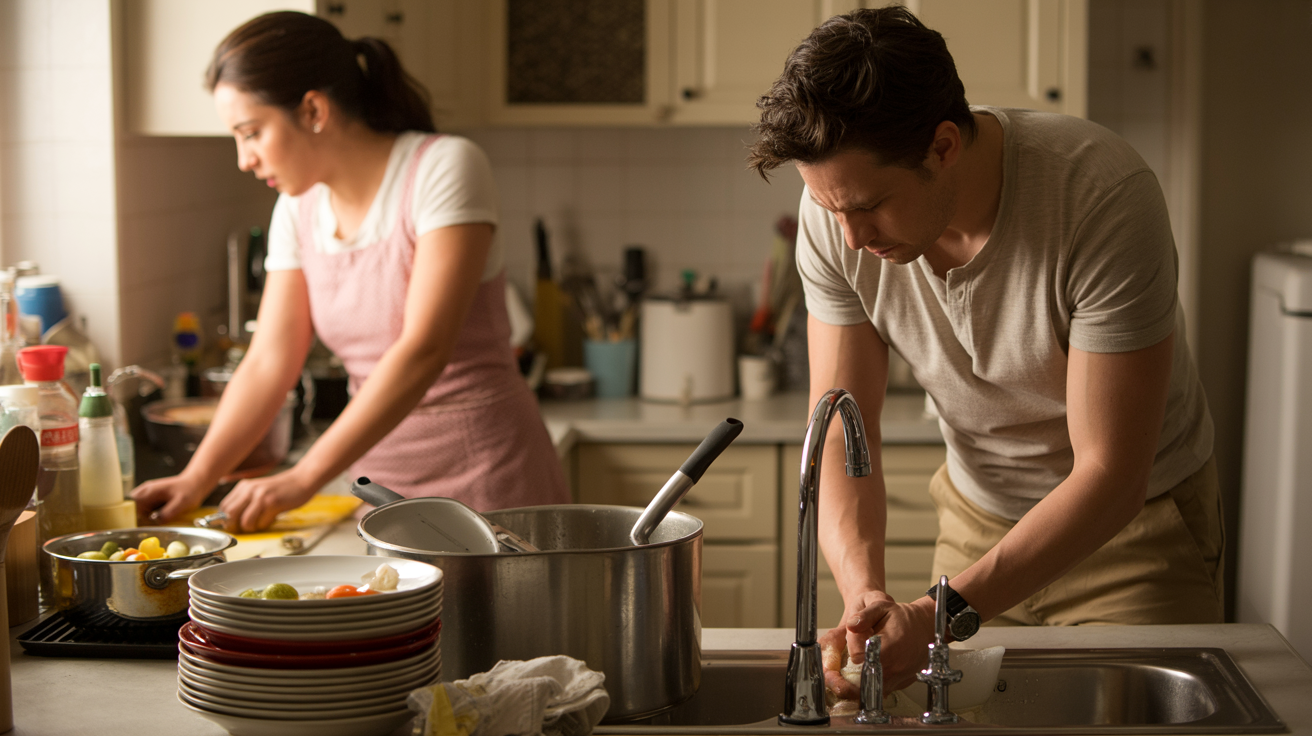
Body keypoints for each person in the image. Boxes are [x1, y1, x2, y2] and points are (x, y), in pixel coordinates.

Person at [748, 7, 1223, 698]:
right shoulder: (835, 218)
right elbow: (847, 430)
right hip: (977, 521)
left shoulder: (1100, 198)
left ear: (943, 146)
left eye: (871, 206)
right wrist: (864, 596)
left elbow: (1111, 475)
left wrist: (940, 613)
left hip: (1137, 533)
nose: (849, 239)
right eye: (831, 210)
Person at [132, 11, 569, 532]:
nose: (243, 158)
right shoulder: (298, 208)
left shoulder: (444, 167)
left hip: (488, 476)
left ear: (314, 109)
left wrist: (303, 476)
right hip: (379, 487)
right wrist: (196, 477)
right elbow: (270, 360)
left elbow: (423, 349)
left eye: (251, 133)